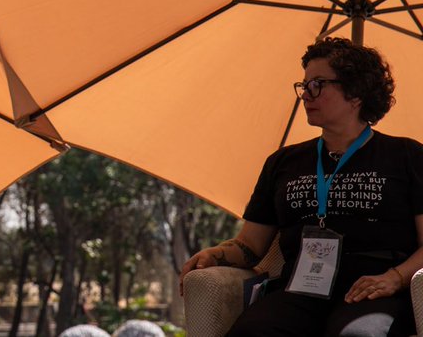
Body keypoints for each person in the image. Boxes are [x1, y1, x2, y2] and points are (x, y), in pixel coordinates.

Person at [180, 37, 423, 337]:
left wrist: (395, 278)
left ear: (356, 93)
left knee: (358, 335)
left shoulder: (407, 156)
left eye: (317, 84)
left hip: (374, 290)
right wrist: (215, 255)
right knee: (253, 332)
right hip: (301, 288)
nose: (305, 95)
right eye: (304, 85)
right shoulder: (283, 161)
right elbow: (251, 246)